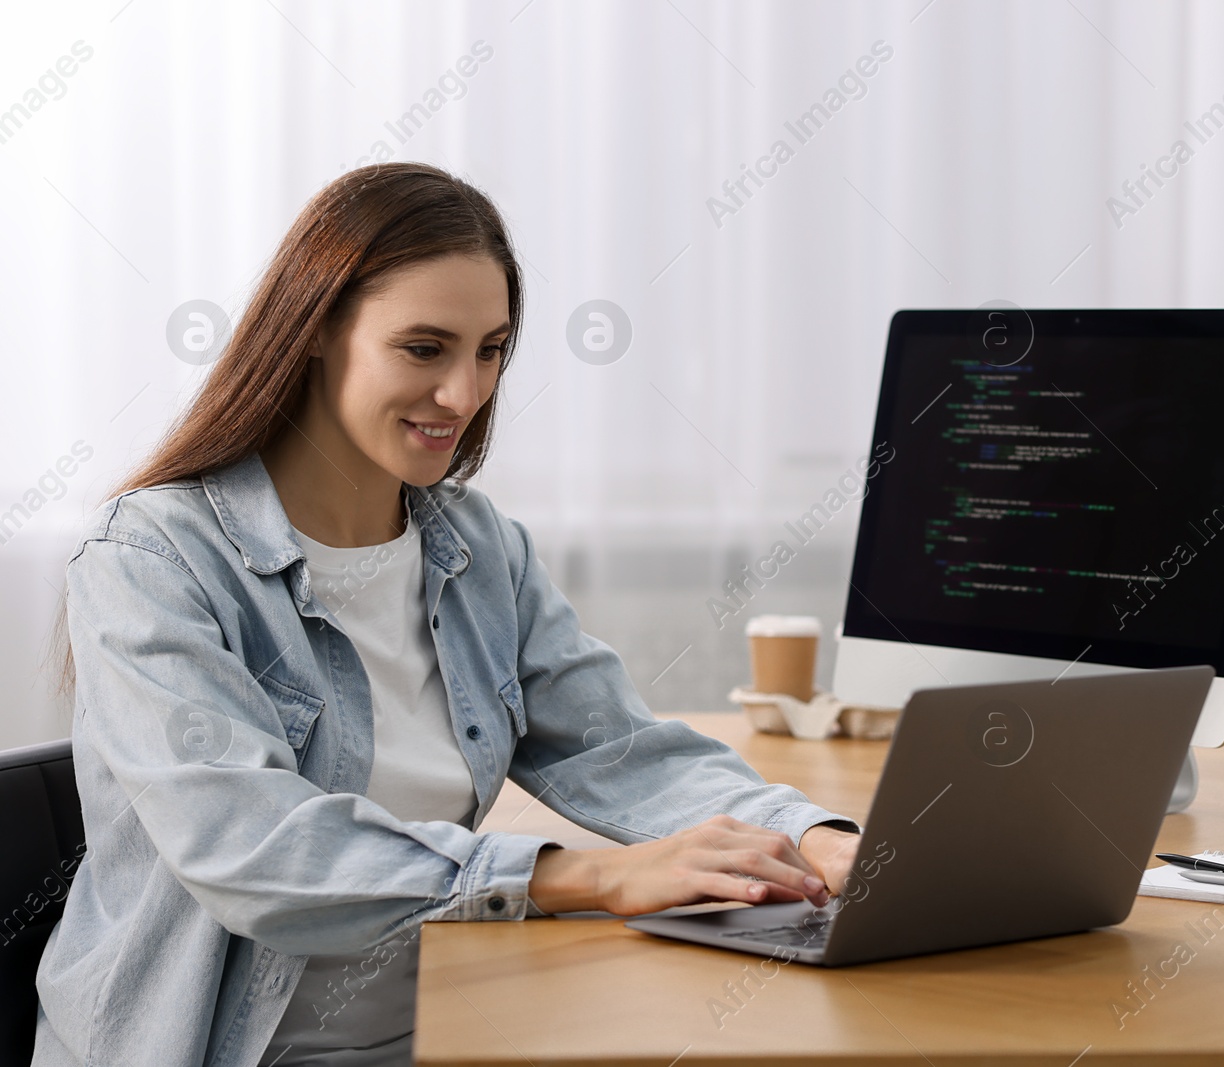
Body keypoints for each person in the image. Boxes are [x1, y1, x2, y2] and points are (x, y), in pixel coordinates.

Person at [32, 162, 862, 1067]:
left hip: (445, 1028)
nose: (465, 397)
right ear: (315, 331)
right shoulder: (151, 557)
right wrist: (589, 875)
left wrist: (812, 837)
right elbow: (252, 846)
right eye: (424, 349)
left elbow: (617, 751)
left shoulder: (476, 546)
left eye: (491, 350)